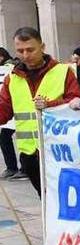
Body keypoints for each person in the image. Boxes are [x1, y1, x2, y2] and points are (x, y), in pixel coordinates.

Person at [0, 27, 80, 194]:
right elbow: (4, 110)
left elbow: (76, 102)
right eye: (20, 51)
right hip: (29, 154)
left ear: (42, 47)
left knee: (64, 199)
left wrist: (50, 104)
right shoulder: (12, 78)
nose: (25, 55)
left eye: (30, 49)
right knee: (44, 199)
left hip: (60, 150)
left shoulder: (63, 72)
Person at [0, 49, 25, 180]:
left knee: (25, 139)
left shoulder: (11, 69)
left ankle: (21, 168)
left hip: (22, 111)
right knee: (5, 137)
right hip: (11, 110)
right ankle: (13, 167)